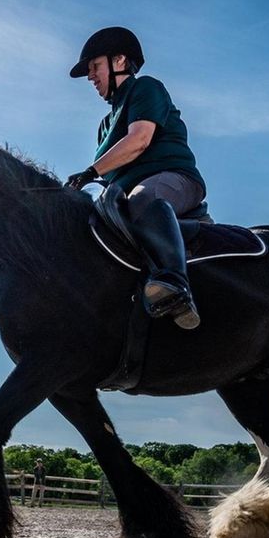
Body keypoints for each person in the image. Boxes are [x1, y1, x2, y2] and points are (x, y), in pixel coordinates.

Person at [65, 26, 206, 329]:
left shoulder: (146, 88)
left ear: (119, 61)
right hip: (126, 197)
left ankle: (175, 286)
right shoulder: (105, 124)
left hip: (173, 180)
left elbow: (139, 140)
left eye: (94, 67)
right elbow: (109, 178)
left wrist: (90, 171)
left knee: (143, 198)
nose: (91, 76)